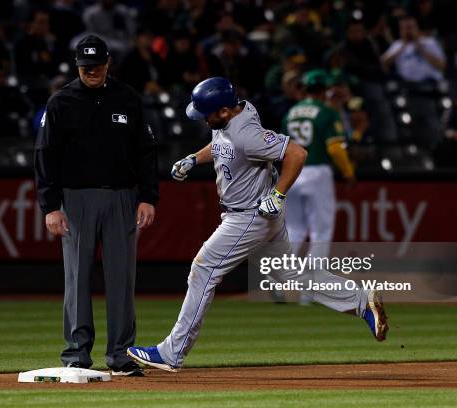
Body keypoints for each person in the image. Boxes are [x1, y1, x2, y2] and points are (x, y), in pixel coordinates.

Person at [126, 77, 388, 372]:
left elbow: (297, 154)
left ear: (224, 111)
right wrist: (193, 158)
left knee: (204, 268)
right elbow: (221, 145)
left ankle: (171, 353)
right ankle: (360, 300)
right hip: (255, 213)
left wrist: (278, 193)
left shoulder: (245, 133)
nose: (203, 119)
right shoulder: (234, 115)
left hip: (249, 215)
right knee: (292, 275)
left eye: (207, 114)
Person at [34, 35, 159, 375]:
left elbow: (146, 152)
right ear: (78, 67)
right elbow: (44, 156)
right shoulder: (61, 102)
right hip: (75, 199)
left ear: (108, 64)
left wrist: (148, 196)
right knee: (77, 279)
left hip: (121, 196)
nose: (91, 71)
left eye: (97, 65)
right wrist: (50, 205)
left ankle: (121, 355)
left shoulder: (127, 98)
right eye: (85, 66)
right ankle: (77, 352)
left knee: (121, 279)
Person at [282, 70, 356, 302]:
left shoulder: (290, 113)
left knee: (293, 231)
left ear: (304, 89)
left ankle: (276, 283)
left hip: (291, 173)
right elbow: (335, 148)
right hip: (317, 172)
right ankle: (309, 293)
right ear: (324, 90)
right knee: (320, 233)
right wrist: (348, 172)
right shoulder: (326, 112)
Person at [381, 15, 445, 83]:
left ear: (417, 28)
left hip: (430, 84)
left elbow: (442, 66)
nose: (408, 31)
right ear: (400, 30)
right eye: (405, 28)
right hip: (406, 86)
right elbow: (383, 63)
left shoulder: (429, 42)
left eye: (411, 27)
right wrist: (402, 47)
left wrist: (421, 49)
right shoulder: (397, 45)